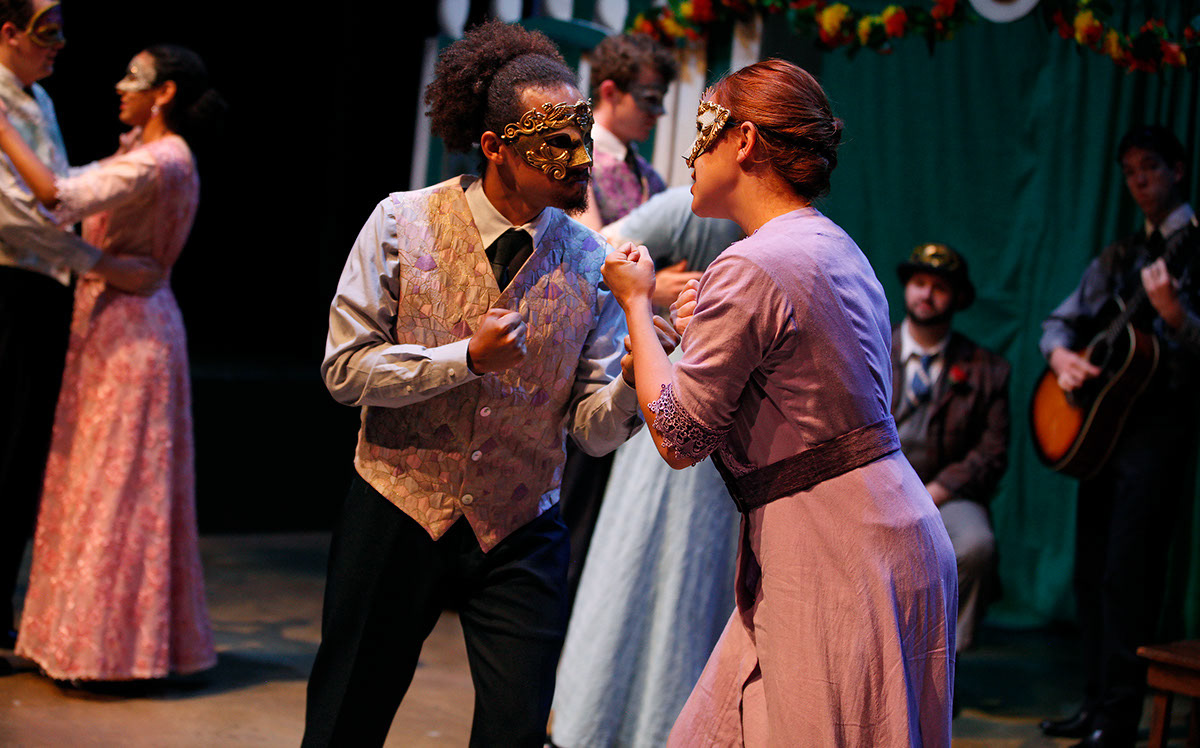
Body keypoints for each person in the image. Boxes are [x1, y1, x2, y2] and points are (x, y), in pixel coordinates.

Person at [302, 20, 671, 747]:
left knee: (516, 727)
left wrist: (631, 383)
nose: (581, 159)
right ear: (496, 146)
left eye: (582, 136)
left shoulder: (589, 259)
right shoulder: (400, 222)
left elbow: (593, 432)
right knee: (348, 716)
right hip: (398, 507)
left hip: (520, 526)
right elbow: (345, 371)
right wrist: (462, 359)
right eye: (556, 142)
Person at [602, 59, 957, 745]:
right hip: (869, 533)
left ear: (744, 141)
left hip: (837, 552)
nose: (691, 155)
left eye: (703, 132)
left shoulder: (756, 263)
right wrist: (699, 327)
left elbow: (676, 435)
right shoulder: (828, 244)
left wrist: (638, 306)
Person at [0, 44, 223, 682]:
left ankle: (110, 652)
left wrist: (3, 128)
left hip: (134, 333)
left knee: (119, 489)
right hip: (110, 324)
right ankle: (78, 642)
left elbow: (58, 197)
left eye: (135, 76)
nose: (121, 85)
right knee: (92, 484)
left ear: (165, 93)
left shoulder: (163, 158)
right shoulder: (138, 152)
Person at [551, 186, 744, 748]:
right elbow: (598, 253)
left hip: (724, 422)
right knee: (641, 560)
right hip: (673, 403)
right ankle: (606, 720)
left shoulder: (769, 227)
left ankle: (675, 723)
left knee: (698, 575)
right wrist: (653, 292)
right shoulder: (690, 208)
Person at [0, 0, 162, 660]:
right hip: (9, 282)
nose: (60, 42)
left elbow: (59, 190)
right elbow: (16, 213)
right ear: (9, 32)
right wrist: (102, 263)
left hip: (42, 287)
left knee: (21, 457)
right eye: (47, 30)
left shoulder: (35, 100)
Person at [1038, 126, 1199, 748]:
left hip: (1159, 432)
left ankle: (1121, 716)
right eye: (1130, 172)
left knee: (1129, 575)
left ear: (1177, 169)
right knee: (1092, 570)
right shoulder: (1121, 254)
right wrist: (1062, 359)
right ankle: (1095, 702)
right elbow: (1059, 322)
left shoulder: (1194, 249)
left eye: (1150, 168)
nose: (1139, 181)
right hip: (1103, 431)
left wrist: (1176, 314)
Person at [559, 32, 690, 602]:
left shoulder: (648, 176)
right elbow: (586, 248)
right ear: (610, 91)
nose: (658, 114)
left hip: (633, 349)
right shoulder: (577, 160)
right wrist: (653, 284)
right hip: (581, 344)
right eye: (649, 99)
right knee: (571, 497)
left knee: (604, 508)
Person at [892, 242, 1009, 654]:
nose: (926, 294)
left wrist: (938, 490)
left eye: (939, 287)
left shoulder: (987, 370)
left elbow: (992, 452)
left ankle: (947, 657)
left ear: (958, 298)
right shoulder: (870, 348)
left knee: (976, 546)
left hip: (945, 493)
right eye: (919, 282)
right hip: (877, 486)